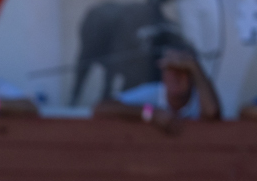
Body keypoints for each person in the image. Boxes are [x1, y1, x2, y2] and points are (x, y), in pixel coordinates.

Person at [92, 48, 221, 130]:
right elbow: (100, 108)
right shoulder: (153, 93)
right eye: (171, 70)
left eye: (183, 71)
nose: (176, 77)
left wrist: (195, 66)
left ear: (193, 76)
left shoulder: (201, 98)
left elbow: (212, 114)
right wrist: (150, 113)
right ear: (163, 76)